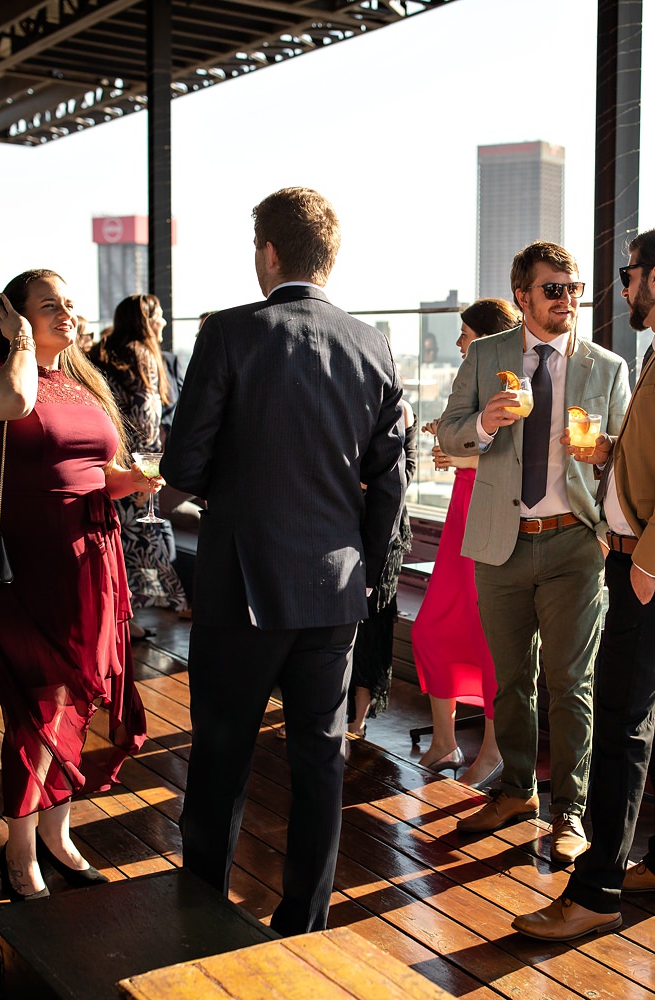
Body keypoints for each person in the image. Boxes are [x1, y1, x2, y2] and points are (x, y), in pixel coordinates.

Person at [165, 187, 406, 936]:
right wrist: (368, 580)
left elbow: (187, 463)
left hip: (243, 587)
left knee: (222, 757)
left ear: (268, 254)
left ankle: (203, 907)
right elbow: (391, 483)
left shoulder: (232, 333)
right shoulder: (374, 344)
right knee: (320, 763)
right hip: (335, 590)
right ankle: (302, 919)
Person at [512, 227, 655, 941]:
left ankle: (596, 889)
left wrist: (646, 565)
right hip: (643, 561)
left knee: (618, 721)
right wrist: (609, 451)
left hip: (654, 571)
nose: (623, 287)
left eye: (628, 274)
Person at [0, 269, 153, 901]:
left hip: (89, 560)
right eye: (48, 306)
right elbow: (15, 404)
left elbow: (100, 470)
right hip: (19, 564)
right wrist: (16, 344)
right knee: (37, 703)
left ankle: (58, 832)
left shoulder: (82, 383)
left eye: (69, 304)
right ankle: (18, 849)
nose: (66, 313)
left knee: (78, 695)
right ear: (13, 316)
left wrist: (132, 480)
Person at [437, 241, 630, 864]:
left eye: (574, 289)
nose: (567, 299)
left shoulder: (607, 367)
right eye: (554, 289)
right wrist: (487, 424)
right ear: (523, 296)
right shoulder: (489, 354)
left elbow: (627, 456)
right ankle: (518, 790)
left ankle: (569, 811)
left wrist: (603, 454)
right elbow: (446, 428)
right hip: (500, 545)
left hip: (575, 543)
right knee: (511, 680)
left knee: (571, 681)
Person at [412, 297, 520, 787]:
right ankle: (445, 741)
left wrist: (463, 461)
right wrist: (448, 436)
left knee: (490, 639)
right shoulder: (473, 380)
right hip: (461, 515)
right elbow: (470, 437)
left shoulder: (514, 385)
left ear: (488, 336)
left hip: (492, 517)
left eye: (465, 333)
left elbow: (521, 463)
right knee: (432, 629)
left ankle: (493, 751)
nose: (458, 342)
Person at [91, 294, 189, 620]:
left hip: (108, 464)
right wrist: (151, 465)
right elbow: (147, 418)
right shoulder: (143, 355)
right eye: (158, 315)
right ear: (145, 320)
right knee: (144, 539)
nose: (162, 321)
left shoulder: (105, 353)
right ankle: (165, 605)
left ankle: (123, 617)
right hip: (135, 469)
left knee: (120, 544)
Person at [347, 399, 415, 736]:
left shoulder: (401, 411)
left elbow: (404, 475)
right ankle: (319, 711)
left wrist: (363, 484)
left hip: (384, 535)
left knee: (372, 624)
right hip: (343, 525)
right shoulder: (355, 402)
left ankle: (357, 719)